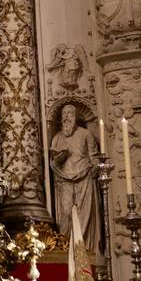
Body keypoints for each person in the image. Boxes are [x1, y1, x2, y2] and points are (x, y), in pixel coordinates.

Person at [49, 103, 101, 257]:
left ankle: (85, 250)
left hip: (83, 177)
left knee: (84, 213)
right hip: (64, 178)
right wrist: (59, 157)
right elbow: (53, 161)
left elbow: (94, 157)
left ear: (76, 117)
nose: (67, 117)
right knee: (66, 213)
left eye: (70, 113)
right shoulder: (57, 137)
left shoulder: (86, 134)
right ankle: (67, 248)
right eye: (64, 114)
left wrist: (95, 168)